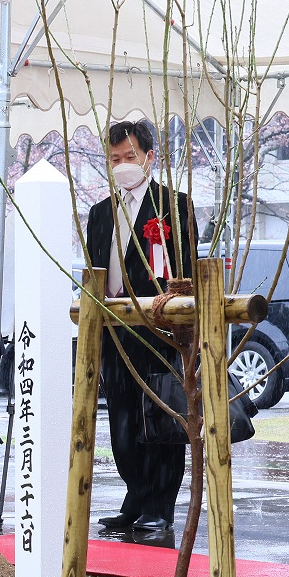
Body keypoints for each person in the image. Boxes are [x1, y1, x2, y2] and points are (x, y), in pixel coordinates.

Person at [85, 120, 196, 533]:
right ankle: (135, 495)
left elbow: (185, 269)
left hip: (159, 331)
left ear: (150, 157)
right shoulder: (100, 213)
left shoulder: (173, 205)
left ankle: (160, 506)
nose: (122, 165)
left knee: (161, 419)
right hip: (116, 332)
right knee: (123, 422)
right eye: (114, 159)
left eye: (129, 156)